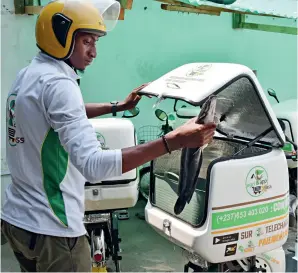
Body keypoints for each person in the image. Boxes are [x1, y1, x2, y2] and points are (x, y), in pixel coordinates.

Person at [1, 0, 216, 272]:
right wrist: (173, 141)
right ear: (60, 36)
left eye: (96, 42)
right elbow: (94, 165)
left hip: (17, 220)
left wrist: (117, 107)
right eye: (87, 42)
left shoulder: (30, 75)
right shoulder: (59, 85)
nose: (94, 53)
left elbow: (60, 114)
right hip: (53, 229)